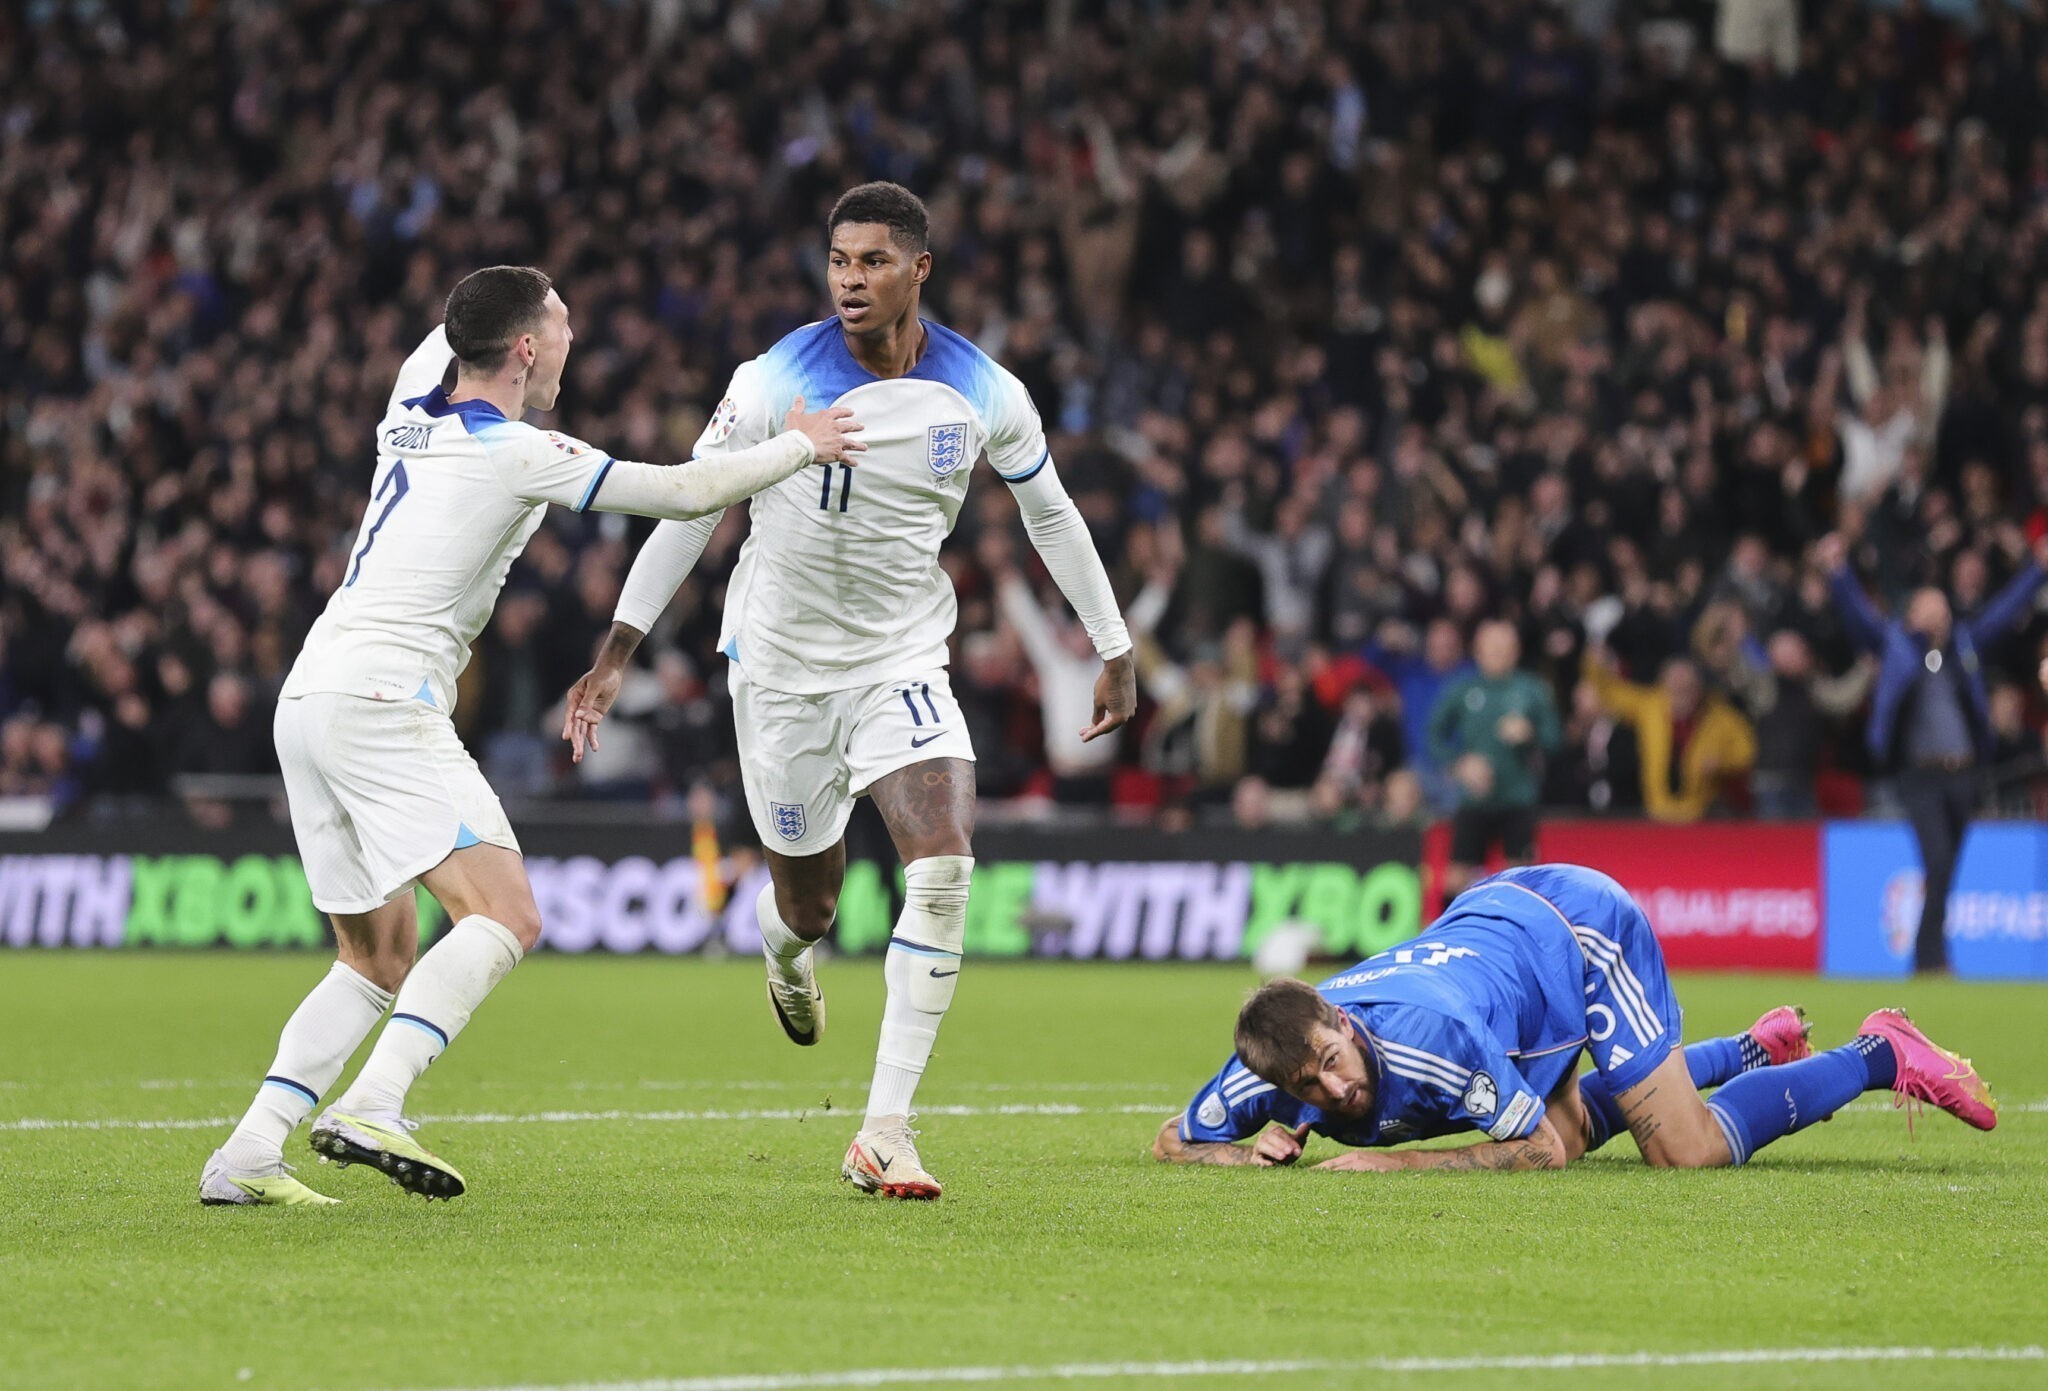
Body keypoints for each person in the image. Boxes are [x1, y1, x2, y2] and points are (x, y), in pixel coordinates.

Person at [200, 266, 863, 1207]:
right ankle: (374, 1100)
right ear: (522, 350)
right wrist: (797, 446)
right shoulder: (515, 450)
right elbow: (683, 491)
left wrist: (506, 295)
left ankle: (249, 1150)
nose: (570, 343)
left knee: (377, 955)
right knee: (507, 913)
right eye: (559, 327)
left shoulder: (408, 408)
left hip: (308, 699)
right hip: (385, 698)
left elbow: (457, 326)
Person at [561, 184, 1136, 1199]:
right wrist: (617, 651)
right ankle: (782, 952)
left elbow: (1051, 515)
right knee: (810, 901)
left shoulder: (983, 389)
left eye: (871, 261)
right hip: (779, 672)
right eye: (837, 260)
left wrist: (1113, 642)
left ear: (918, 269)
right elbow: (692, 512)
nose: (849, 280)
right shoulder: (773, 377)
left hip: (901, 660)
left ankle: (883, 1129)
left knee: (945, 865)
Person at [1153, 864, 1998, 1173]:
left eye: (1335, 1057)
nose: (1336, 1087)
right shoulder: (1270, 1052)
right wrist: (1243, 1155)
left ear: (1341, 1016)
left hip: (1575, 934)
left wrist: (1394, 1170)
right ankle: (1752, 1048)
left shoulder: (1434, 1047)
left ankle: (1877, 1050)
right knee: (1590, 1128)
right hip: (1498, 955)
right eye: (1309, 1085)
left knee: (1684, 1150)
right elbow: (1172, 1139)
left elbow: (1536, 1152)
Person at [1820, 532, 2048, 973]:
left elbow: (2003, 613)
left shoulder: (1963, 647)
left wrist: (2037, 570)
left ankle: (1932, 954)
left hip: (1962, 773)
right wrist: (1839, 573)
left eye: (1941, 604)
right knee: (1938, 859)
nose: (1939, 610)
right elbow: (1860, 619)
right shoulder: (1898, 646)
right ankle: (1929, 959)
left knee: (1947, 867)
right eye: (1929, 604)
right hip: (1919, 775)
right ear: (1912, 614)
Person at [1427, 620, 1561, 894]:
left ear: (1516, 651)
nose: (1497, 653)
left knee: (1521, 882)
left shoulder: (1532, 689)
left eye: (1504, 647)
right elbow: (1432, 735)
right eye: (1491, 647)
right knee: (1456, 879)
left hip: (1518, 800)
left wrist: (1530, 733)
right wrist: (1460, 764)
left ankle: (1518, 936)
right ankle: (1452, 934)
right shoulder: (1463, 689)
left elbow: (1555, 740)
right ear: (1478, 651)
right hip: (1474, 799)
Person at [1583, 650, 1757, 822]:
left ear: (1698, 687)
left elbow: (1747, 752)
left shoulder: (1720, 715)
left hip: (1703, 815)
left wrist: (1722, 762)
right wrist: (1595, 665)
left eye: (1686, 688)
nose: (1680, 692)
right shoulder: (1650, 707)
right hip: (1658, 812)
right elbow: (1609, 694)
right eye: (1674, 687)